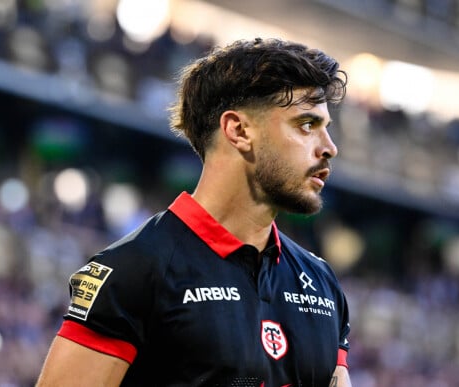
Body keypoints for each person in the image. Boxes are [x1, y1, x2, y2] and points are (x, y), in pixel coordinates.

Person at [36, 37, 352, 387]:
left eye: (326, 128)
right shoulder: (134, 270)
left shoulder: (322, 283)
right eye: (306, 124)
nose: (329, 148)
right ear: (239, 130)